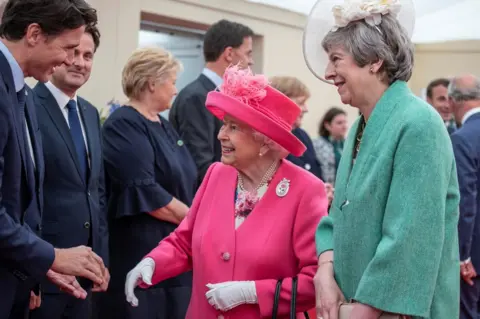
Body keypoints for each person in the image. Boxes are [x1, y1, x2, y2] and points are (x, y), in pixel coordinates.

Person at [124, 65, 329, 319]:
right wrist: (153, 262)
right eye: (223, 125)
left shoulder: (306, 190)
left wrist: (252, 292)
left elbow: (316, 281)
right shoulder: (216, 174)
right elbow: (184, 242)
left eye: (233, 127)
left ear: (264, 139)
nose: (221, 135)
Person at [302, 0, 460, 318]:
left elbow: (410, 236)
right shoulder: (362, 125)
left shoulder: (418, 123)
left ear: (374, 60)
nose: (328, 72)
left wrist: (363, 309)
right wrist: (325, 268)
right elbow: (338, 217)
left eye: (335, 59)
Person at [0, 0, 107, 317]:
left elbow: (20, 201)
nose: (69, 59)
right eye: (68, 48)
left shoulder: (23, 93)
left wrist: (36, 266)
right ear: (34, 34)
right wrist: (50, 255)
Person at [99, 47, 198, 319]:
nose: (176, 90)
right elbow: (145, 191)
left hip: (173, 251)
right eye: (173, 81)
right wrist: (197, 222)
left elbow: (187, 177)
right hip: (141, 250)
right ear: (153, 82)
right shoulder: (124, 124)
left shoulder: (164, 125)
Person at [31, 24, 109, 319]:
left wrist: (100, 259)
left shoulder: (90, 113)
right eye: (73, 52)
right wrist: (32, 269)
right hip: (45, 270)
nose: (80, 62)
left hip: (85, 273)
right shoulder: (29, 105)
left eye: (88, 56)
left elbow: (96, 191)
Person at [169, 19, 254, 187]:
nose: (251, 61)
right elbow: (201, 163)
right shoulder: (197, 98)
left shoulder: (222, 95)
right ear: (229, 54)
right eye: (248, 53)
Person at [448, 75, 480, 319]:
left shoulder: (462, 139)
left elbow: (464, 203)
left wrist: (461, 256)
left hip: (474, 258)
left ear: (452, 101)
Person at [270, 75, 323, 179]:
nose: (306, 109)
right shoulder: (265, 140)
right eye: (301, 103)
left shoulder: (303, 136)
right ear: (281, 102)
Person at [313, 107, 347, 184]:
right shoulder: (317, 145)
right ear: (327, 125)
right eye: (339, 123)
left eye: (345, 122)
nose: (344, 126)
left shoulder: (349, 143)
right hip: (327, 190)